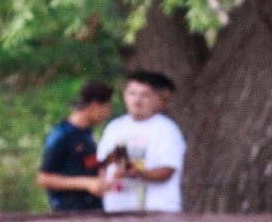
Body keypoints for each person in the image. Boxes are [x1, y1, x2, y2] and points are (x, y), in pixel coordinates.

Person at [96, 71, 185, 213]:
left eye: (144, 95)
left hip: (157, 213)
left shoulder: (167, 129)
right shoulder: (114, 127)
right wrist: (110, 161)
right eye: (132, 93)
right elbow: (101, 165)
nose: (136, 100)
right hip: (117, 211)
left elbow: (168, 170)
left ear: (155, 98)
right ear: (124, 95)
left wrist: (138, 172)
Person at [36, 80, 112, 212]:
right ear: (95, 105)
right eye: (107, 108)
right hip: (70, 214)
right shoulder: (62, 134)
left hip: (93, 210)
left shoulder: (86, 133)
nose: (108, 114)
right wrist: (87, 183)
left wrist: (107, 162)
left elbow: (82, 165)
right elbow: (44, 178)